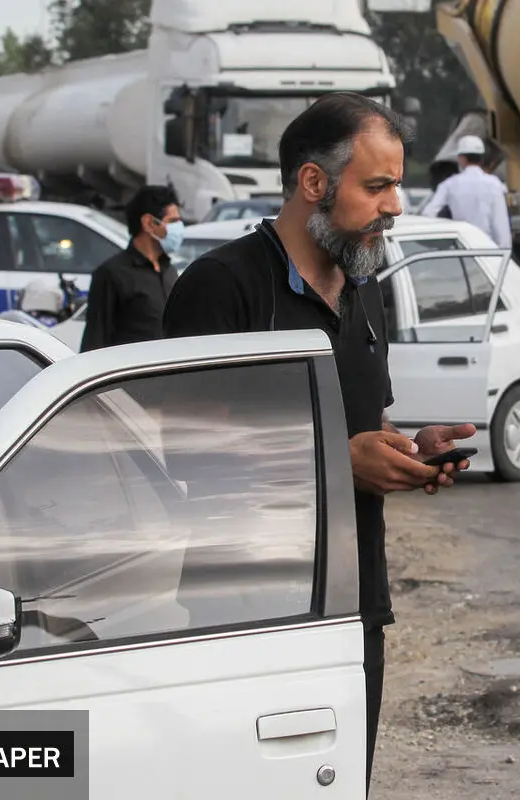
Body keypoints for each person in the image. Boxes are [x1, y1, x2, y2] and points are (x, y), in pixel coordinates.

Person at [162, 92, 477, 793]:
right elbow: (185, 454)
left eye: (396, 184)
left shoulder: (361, 284)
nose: (395, 205)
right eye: (377, 185)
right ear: (314, 183)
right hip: (245, 614)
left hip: (353, 605)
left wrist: (407, 450)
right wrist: (342, 462)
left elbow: (363, 426)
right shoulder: (222, 289)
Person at [79, 185, 183, 352]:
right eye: (172, 221)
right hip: (132, 374)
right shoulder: (112, 274)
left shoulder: (169, 271)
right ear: (149, 223)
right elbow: (95, 341)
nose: (179, 228)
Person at [420, 134, 512, 247]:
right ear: (481, 159)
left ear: (461, 159)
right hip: (489, 251)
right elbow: (500, 226)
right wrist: (504, 251)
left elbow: (428, 213)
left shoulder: (449, 185)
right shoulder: (495, 184)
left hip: (462, 251)